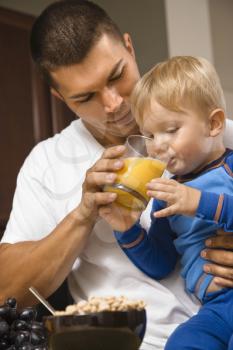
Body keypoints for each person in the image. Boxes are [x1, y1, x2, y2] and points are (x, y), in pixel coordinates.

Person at [0, 1, 233, 349]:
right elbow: (7, 291)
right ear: (60, 97)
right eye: (85, 97)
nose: (113, 104)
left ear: (129, 47)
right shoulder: (46, 163)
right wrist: (84, 215)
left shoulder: (212, 131)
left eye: (116, 76)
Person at [99, 55, 233, 349]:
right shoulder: (165, 194)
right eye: (149, 134)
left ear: (213, 124)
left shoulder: (230, 168)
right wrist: (128, 229)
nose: (157, 145)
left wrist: (198, 202)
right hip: (215, 308)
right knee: (182, 342)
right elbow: (162, 262)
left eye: (171, 130)